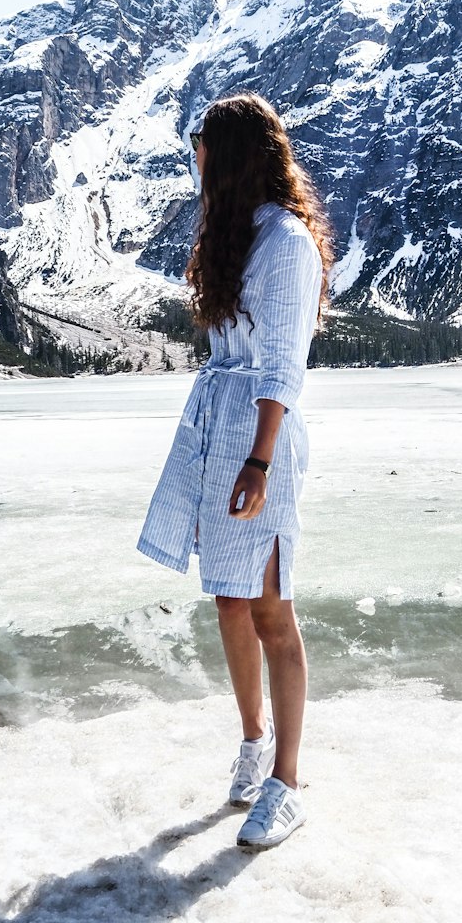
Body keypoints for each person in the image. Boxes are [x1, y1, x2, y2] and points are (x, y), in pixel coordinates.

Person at [137, 91, 333, 850]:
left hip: (265, 438)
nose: (196, 160)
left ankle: (287, 779)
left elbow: (283, 363)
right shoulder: (233, 234)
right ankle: (254, 740)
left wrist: (257, 457)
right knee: (227, 597)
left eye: (204, 147)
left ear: (234, 156)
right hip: (223, 429)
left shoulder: (285, 241)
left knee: (272, 608)